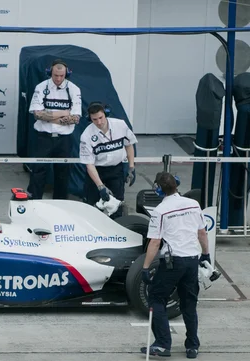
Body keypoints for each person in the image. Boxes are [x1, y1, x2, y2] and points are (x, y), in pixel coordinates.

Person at [140, 172, 211, 359]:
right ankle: (192, 346)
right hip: (192, 260)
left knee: (156, 297)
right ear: (176, 185)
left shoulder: (160, 211)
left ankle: (163, 344)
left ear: (158, 189)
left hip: (173, 262)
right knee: (189, 304)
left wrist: (145, 268)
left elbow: (155, 243)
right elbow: (202, 233)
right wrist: (206, 255)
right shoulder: (193, 204)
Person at [27, 59, 82, 199]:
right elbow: (37, 114)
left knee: (63, 172)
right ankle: (35, 202)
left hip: (64, 139)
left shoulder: (74, 89)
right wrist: (64, 113)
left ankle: (60, 203)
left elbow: (76, 118)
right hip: (43, 137)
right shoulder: (41, 87)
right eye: (55, 75)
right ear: (50, 72)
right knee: (38, 171)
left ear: (66, 74)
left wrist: (49, 115)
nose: (58, 79)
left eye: (61, 76)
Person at [79, 102, 137, 218]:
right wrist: (100, 186)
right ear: (90, 119)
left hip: (116, 169)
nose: (99, 122)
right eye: (94, 119)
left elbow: (129, 145)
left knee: (117, 206)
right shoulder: (86, 135)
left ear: (106, 114)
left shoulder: (120, 125)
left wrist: (131, 167)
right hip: (96, 171)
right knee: (93, 206)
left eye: (101, 118)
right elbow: (89, 165)